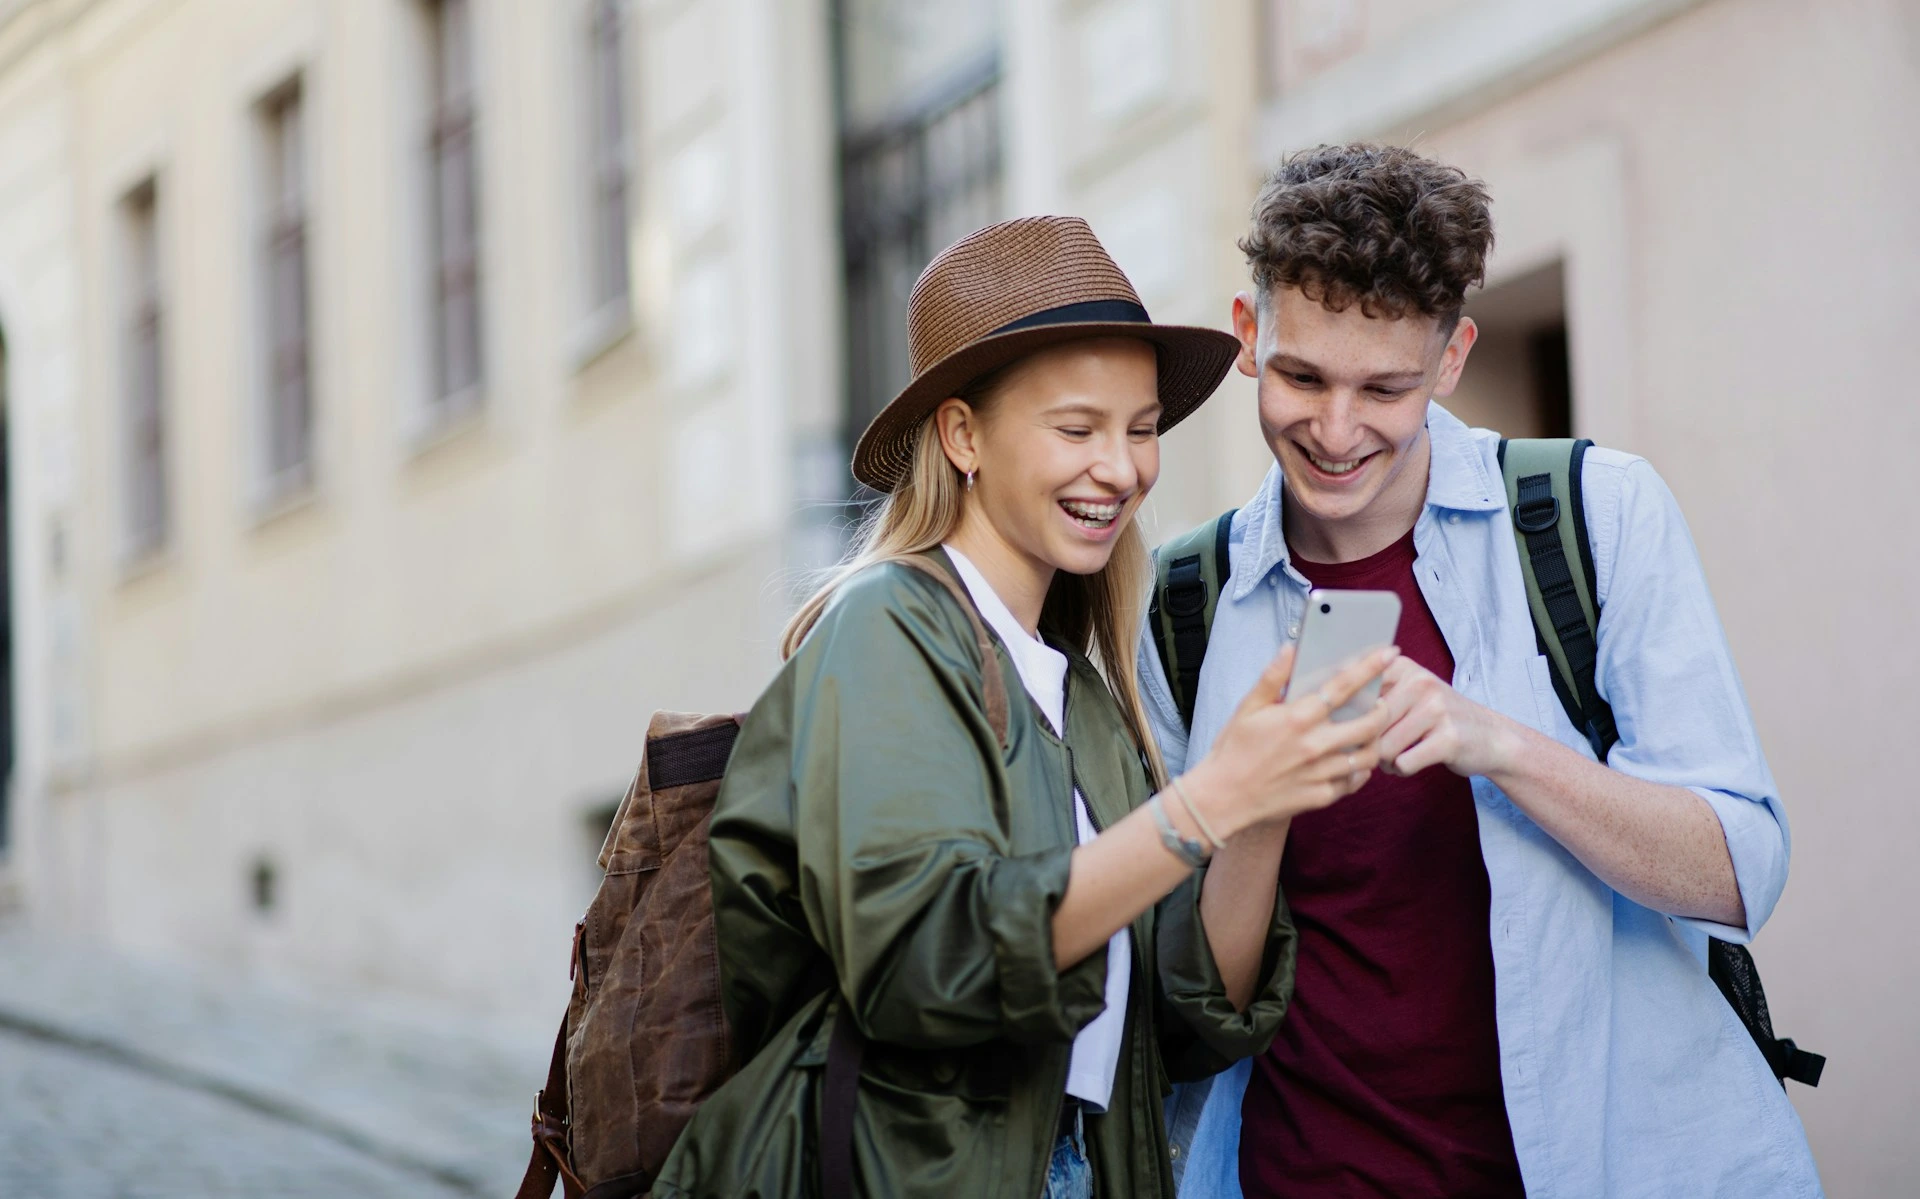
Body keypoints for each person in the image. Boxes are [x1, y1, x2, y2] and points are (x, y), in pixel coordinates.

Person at [649, 216, 1398, 1199]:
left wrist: (1259, 809)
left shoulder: (1080, 687)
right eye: (1077, 428)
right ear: (964, 434)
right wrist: (1201, 805)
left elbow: (1190, 1022)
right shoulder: (887, 628)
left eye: (1139, 430)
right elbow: (927, 960)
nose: (1122, 469)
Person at [1150, 144, 1822, 1197]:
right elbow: (1197, 1006)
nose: (1334, 430)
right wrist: (1255, 802)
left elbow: (1742, 871)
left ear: (1453, 355)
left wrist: (1500, 744)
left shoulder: (1598, 511)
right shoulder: (1182, 600)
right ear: (1249, 335)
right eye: (1302, 376)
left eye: (1385, 387)